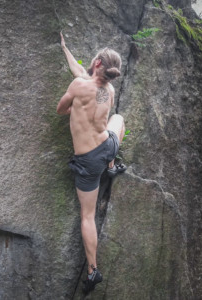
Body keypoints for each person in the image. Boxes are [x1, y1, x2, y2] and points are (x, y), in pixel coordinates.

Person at [57, 32, 126, 294]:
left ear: (97, 63)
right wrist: (65, 48)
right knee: (118, 119)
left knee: (88, 215)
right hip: (107, 146)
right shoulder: (108, 89)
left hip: (88, 162)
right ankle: (112, 165)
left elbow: (60, 109)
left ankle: (93, 269)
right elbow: (82, 74)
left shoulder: (78, 86)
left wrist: (74, 110)